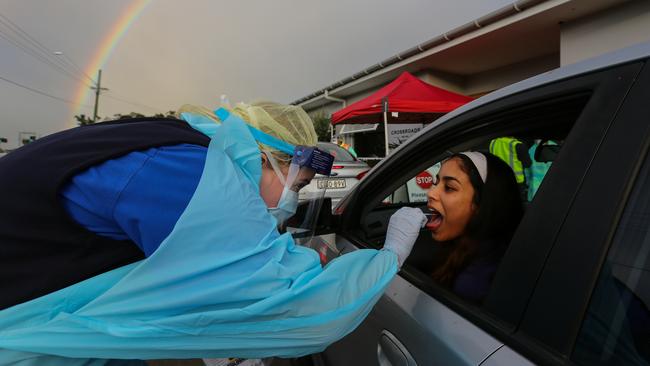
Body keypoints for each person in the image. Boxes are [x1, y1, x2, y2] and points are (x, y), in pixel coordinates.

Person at [0, 101, 426, 364]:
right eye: (295, 185)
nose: (291, 200)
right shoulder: (187, 174)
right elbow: (294, 306)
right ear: (266, 157)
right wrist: (389, 254)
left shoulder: (178, 147)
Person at [425, 151, 523, 304]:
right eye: (436, 183)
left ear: (480, 204)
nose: (431, 193)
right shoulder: (471, 248)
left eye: (449, 187)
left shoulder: (475, 282)